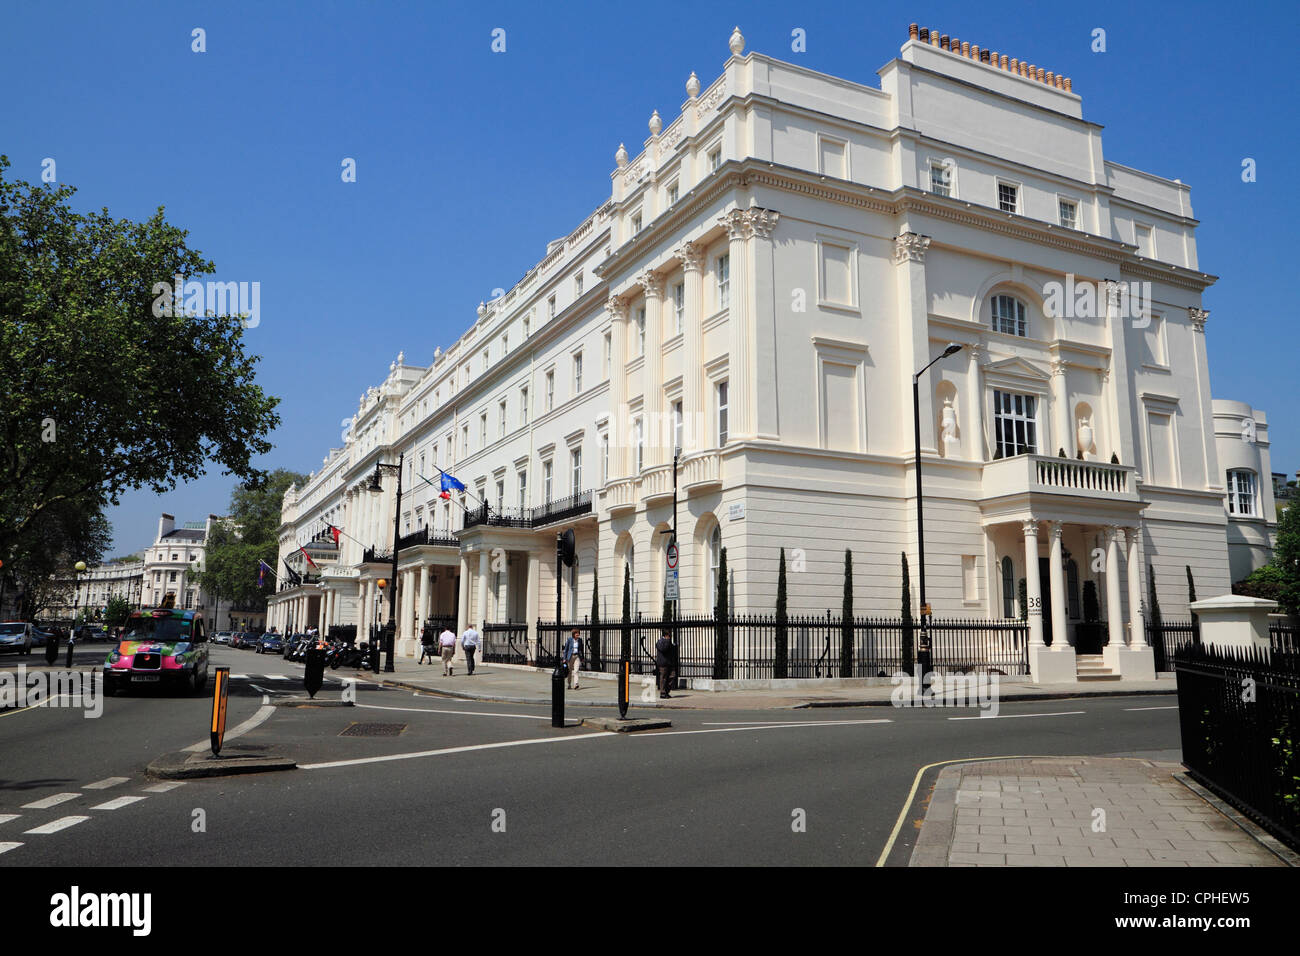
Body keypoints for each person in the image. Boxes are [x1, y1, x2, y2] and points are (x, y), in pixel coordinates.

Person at [655, 630, 677, 699]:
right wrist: (668, 642)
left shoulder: (668, 642)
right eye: (669, 636)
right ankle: (663, 693)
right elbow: (663, 649)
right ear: (666, 635)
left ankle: (666, 691)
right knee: (663, 678)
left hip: (669, 662)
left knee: (672, 676)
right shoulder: (660, 642)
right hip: (663, 663)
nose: (670, 637)